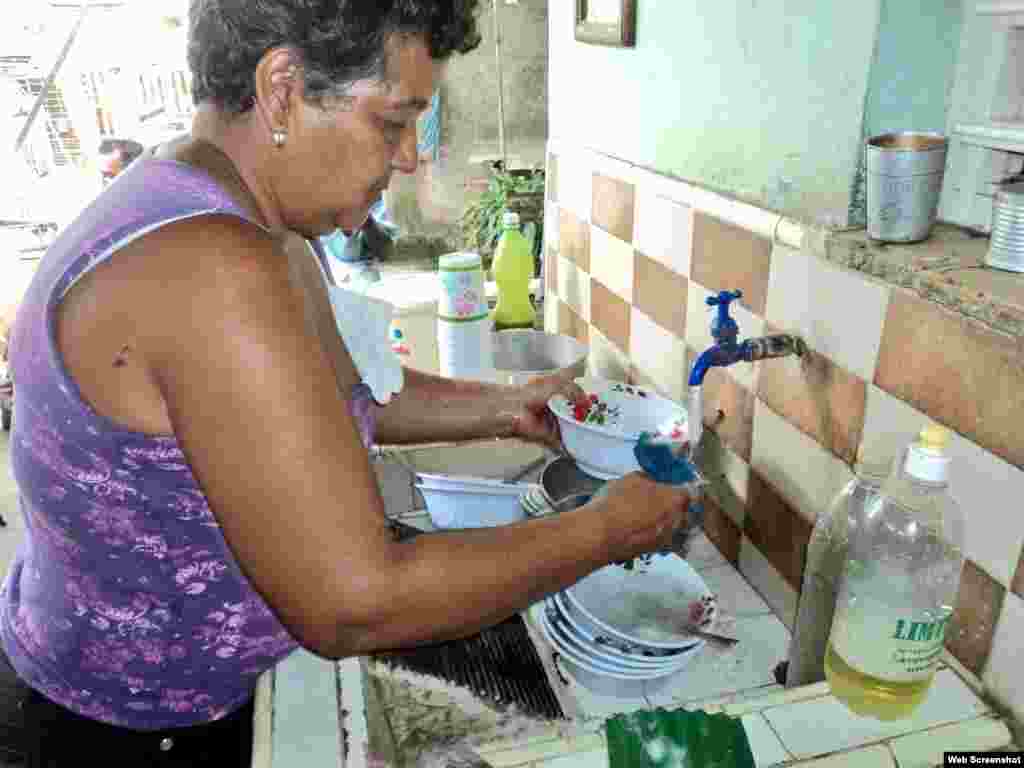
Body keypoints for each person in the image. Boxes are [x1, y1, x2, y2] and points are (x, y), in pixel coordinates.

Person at [0, 1, 692, 765]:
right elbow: (355, 605)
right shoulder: (209, 268)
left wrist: (506, 407)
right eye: (392, 124)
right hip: (127, 731)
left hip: (130, 684)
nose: (410, 160)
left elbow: (335, 404)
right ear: (283, 89)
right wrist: (603, 531)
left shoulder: (231, 213)